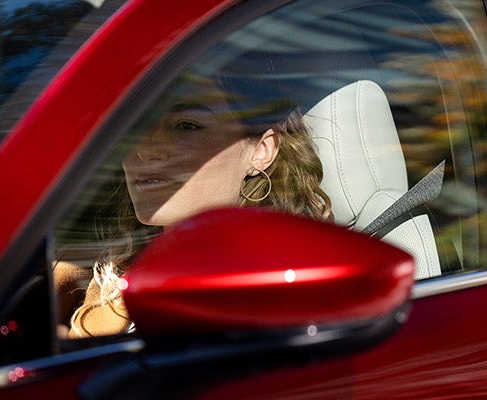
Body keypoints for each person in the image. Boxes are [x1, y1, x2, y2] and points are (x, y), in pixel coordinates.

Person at [55, 72, 332, 338]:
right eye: (136, 125)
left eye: (186, 126)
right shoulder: (110, 268)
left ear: (261, 150)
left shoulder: (276, 289)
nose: (144, 150)